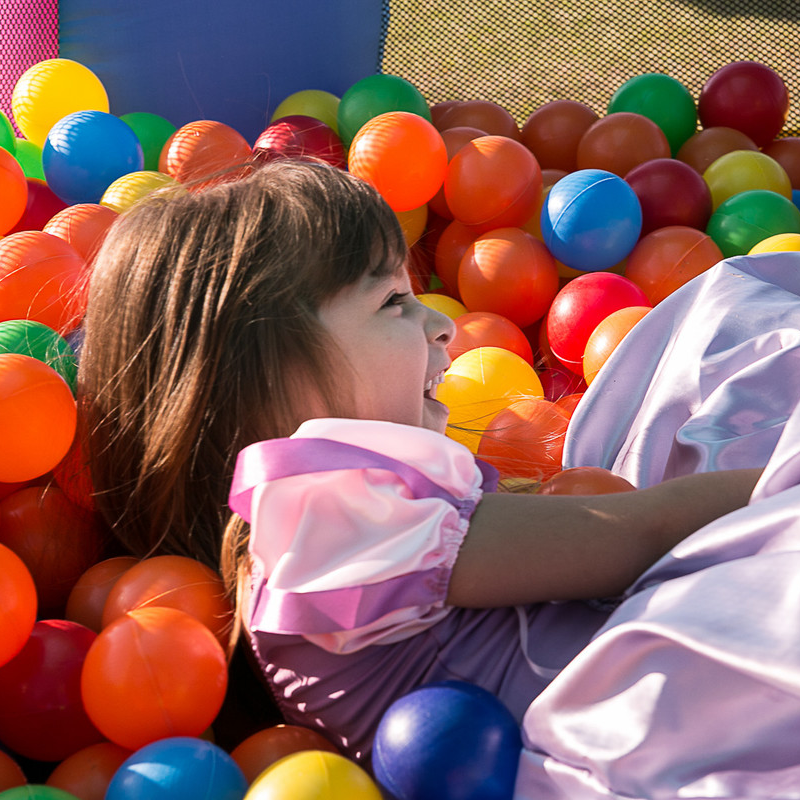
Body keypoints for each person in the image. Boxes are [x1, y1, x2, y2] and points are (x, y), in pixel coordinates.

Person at [78, 159, 761, 757]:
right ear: (260, 375)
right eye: (393, 302)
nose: (443, 324)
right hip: (664, 736)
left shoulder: (335, 528)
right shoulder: (324, 528)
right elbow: (635, 534)